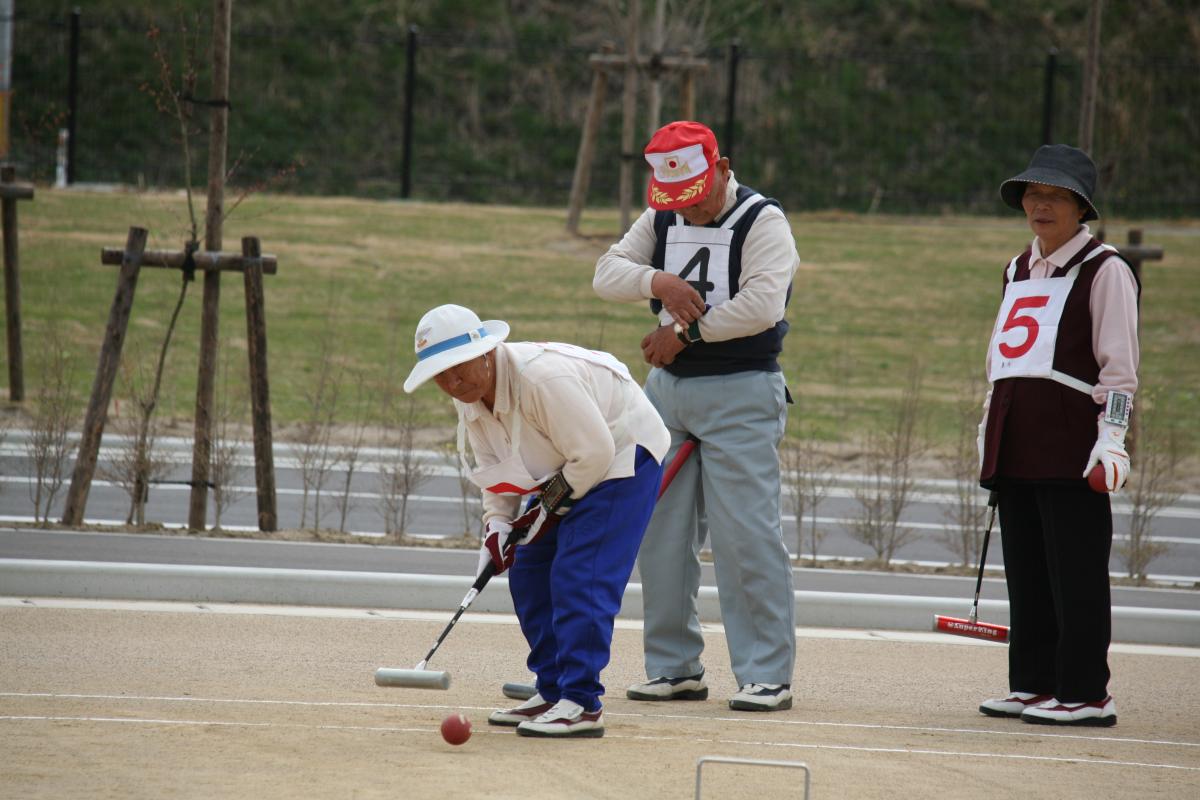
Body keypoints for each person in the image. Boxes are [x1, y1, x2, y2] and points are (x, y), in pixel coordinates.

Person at [592, 120, 799, 711]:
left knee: (745, 536)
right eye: (677, 200)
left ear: (723, 167)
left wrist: (686, 332)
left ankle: (766, 672)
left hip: (742, 390)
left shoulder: (765, 220)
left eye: (700, 195)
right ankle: (674, 666)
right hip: (666, 394)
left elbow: (763, 304)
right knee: (657, 532)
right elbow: (606, 272)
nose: (691, 210)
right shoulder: (659, 216)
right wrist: (654, 278)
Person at [403, 304, 670, 738]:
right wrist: (497, 526)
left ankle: (581, 703)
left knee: (580, 573)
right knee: (528, 570)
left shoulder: (542, 379)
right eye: (441, 376)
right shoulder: (469, 398)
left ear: (485, 352)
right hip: (567, 463)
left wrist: (544, 511)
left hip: (623, 456)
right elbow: (497, 469)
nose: (453, 383)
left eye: (458, 369)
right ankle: (552, 689)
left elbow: (596, 453)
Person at [977, 144, 1139, 727]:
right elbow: (1006, 356)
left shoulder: (1106, 269)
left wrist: (1112, 438)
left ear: (1081, 207)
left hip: (1073, 440)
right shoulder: (1017, 268)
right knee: (1025, 569)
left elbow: (1119, 369)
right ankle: (1033, 683)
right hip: (1017, 433)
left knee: (1075, 572)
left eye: (1056, 196)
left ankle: (1086, 693)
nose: (1041, 205)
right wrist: (987, 425)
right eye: (1033, 194)